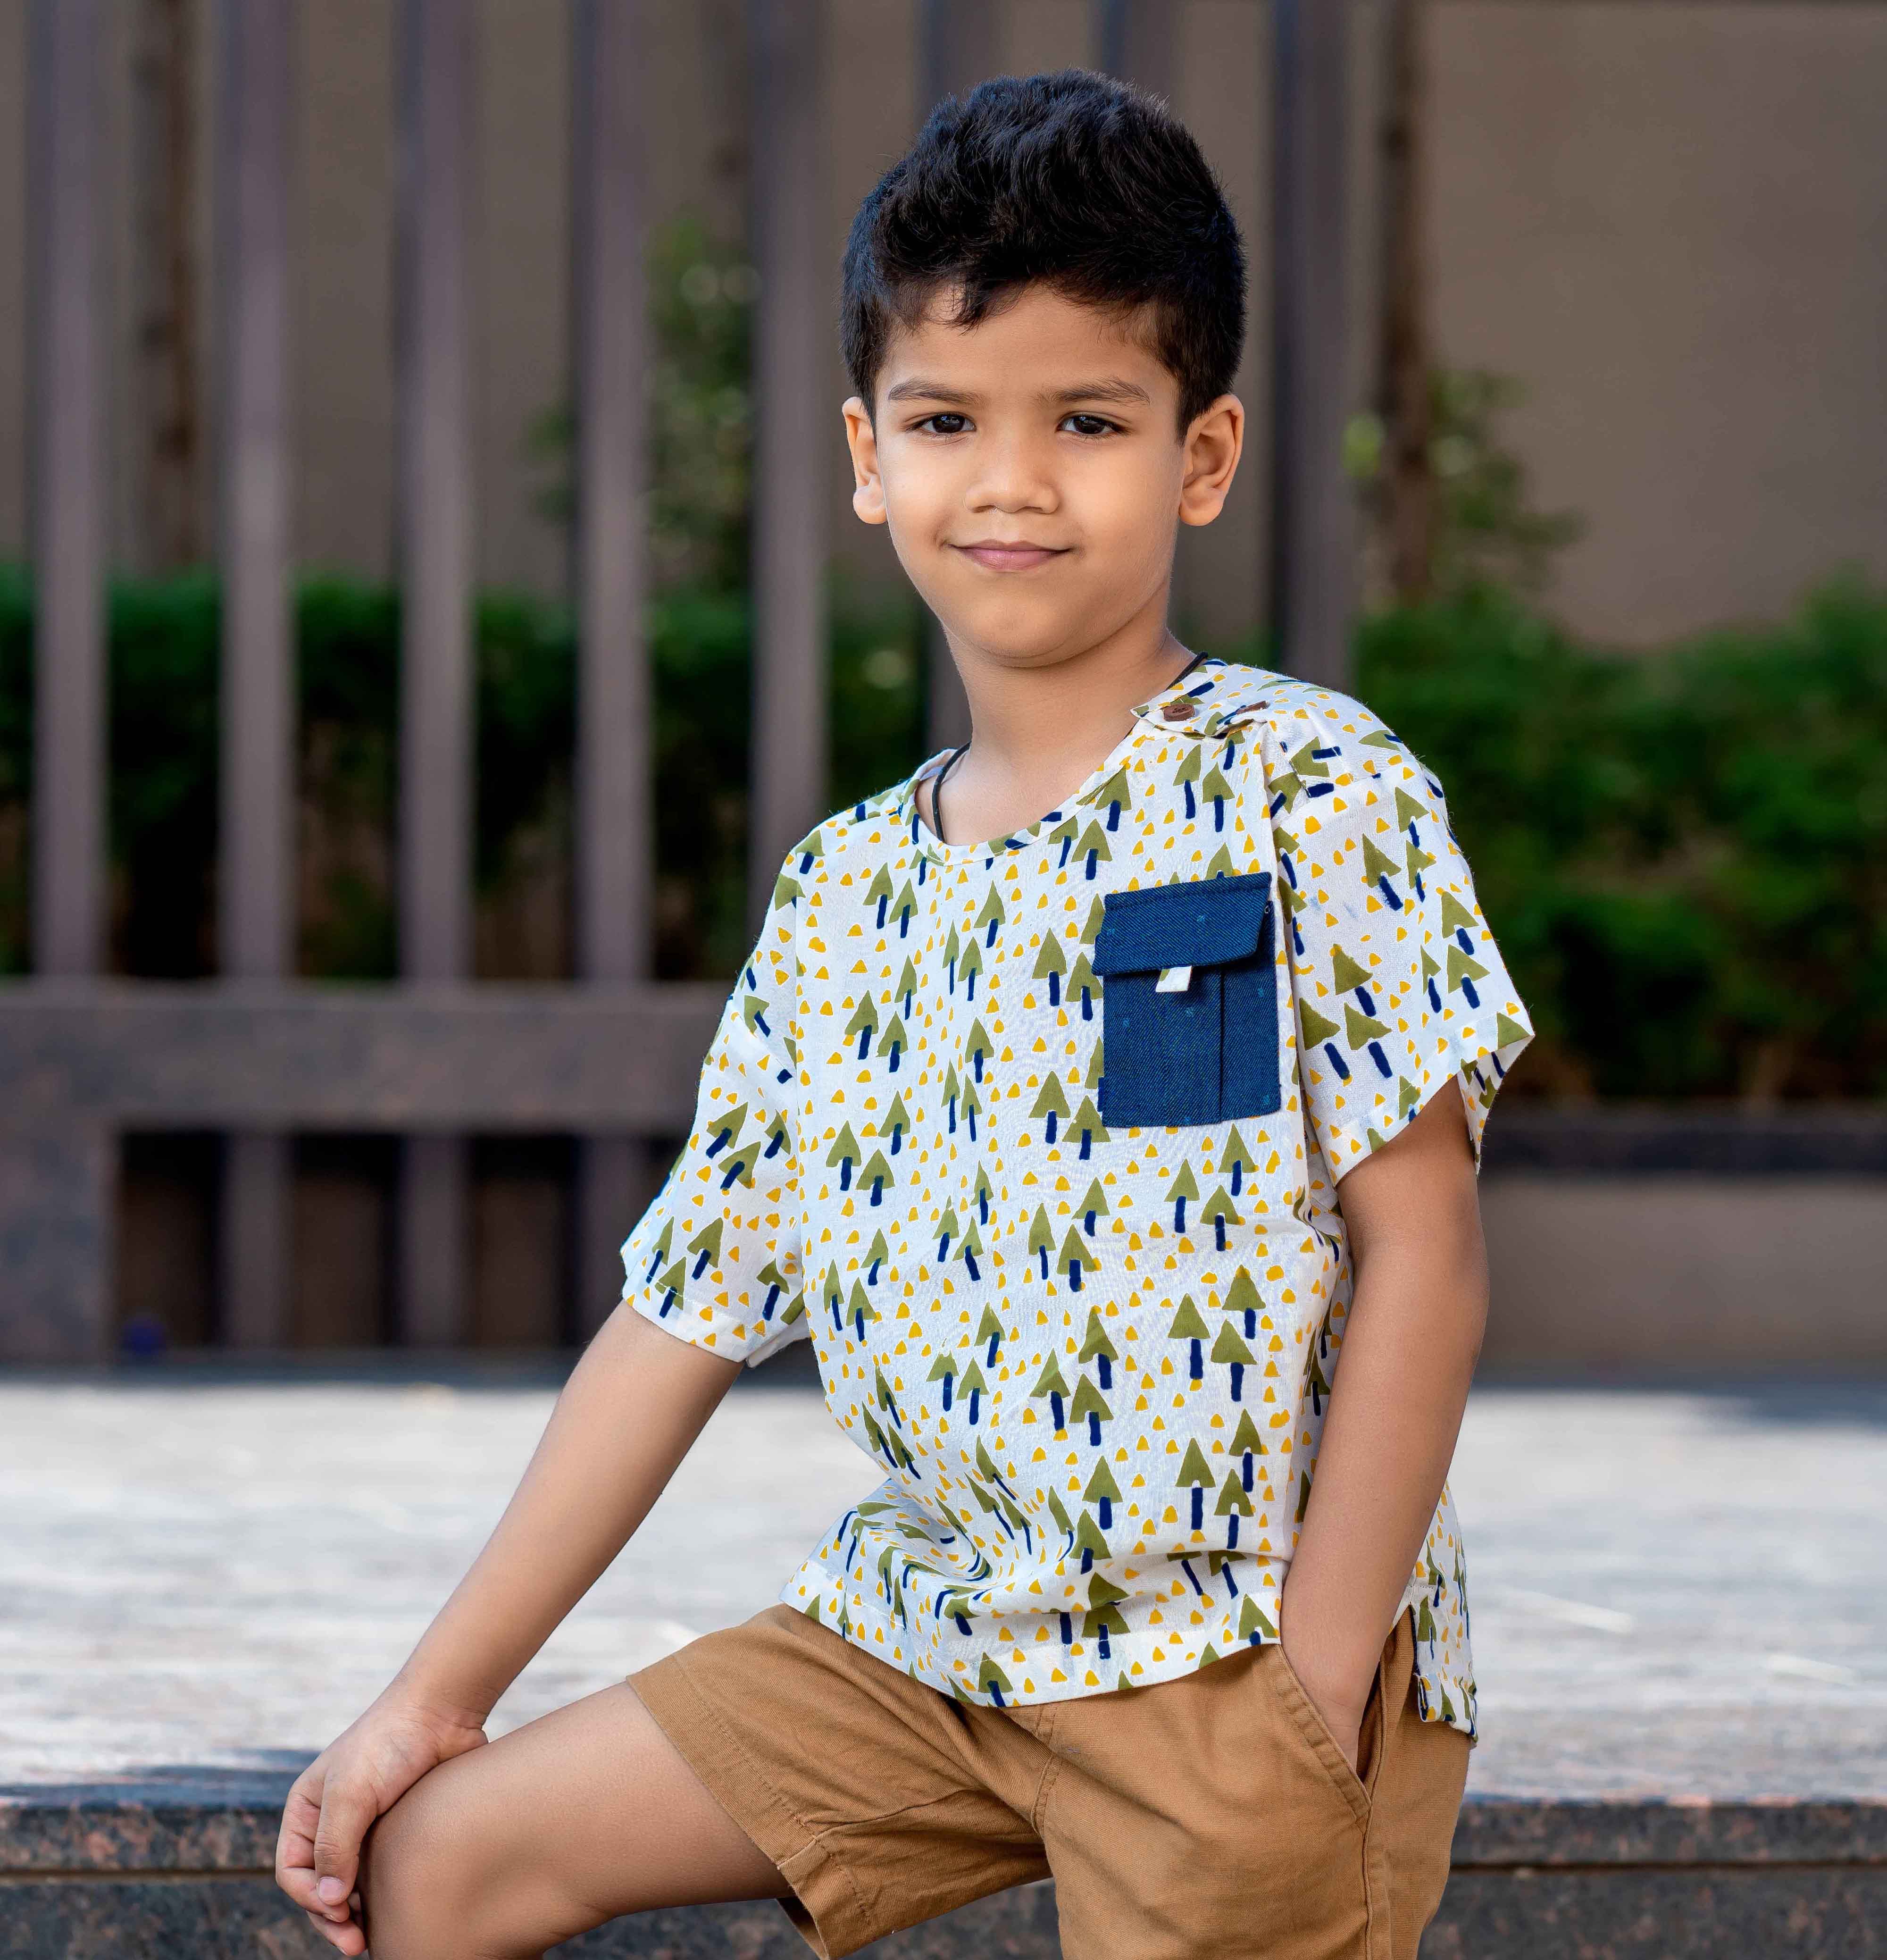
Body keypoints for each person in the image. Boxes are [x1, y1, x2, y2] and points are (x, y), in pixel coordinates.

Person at [276, 70, 1532, 1960]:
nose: (1010, 480)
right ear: (869, 454)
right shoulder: (844, 893)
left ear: (1200, 458)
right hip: (921, 1646)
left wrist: (1313, 1681)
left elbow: (1422, 1254)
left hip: (1231, 1673)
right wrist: (429, 1695)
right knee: (442, 1859)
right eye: (948, 418)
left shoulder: (1305, 788)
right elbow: (680, 1313)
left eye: (1087, 421)